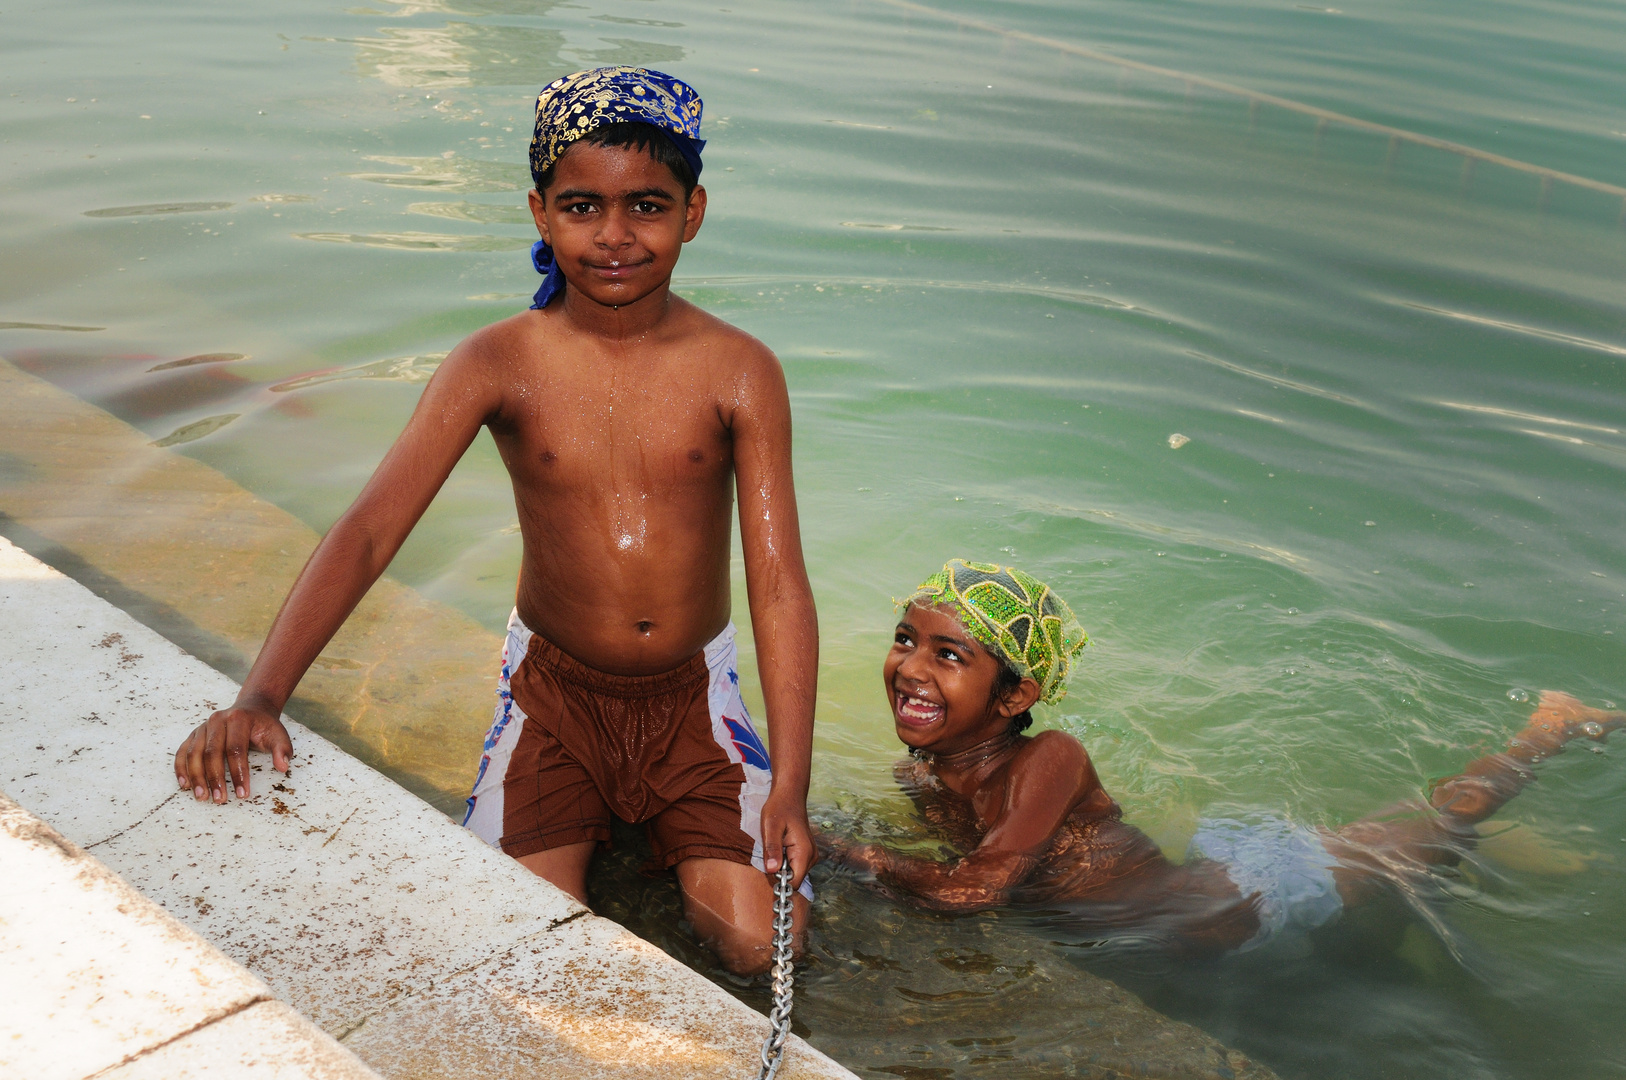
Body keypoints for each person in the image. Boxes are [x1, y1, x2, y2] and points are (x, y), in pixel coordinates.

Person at [173, 67, 817, 975]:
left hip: (691, 699)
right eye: (583, 207)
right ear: (540, 212)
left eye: (648, 206)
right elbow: (368, 530)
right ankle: (621, 828)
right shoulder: (498, 362)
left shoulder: (739, 369)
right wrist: (260, 698)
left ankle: (670, 823)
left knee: (763, 945)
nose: (616, 236)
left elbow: (779, 584)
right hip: (554, 696)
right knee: (518, 942)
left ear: (694, 212)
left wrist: (791, 783)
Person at [822, 558, 1624, 955]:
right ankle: (1462, 845)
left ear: (1015, 698)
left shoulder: (1049, 760)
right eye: (905, 640)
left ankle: (1550, 726)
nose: (911, 667)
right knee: (1428, 837)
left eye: (950, 655)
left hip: (1258, 895)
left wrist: (834, 849)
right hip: (1206, 864)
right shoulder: (923, 773)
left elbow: (975, 891)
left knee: (1453, 813)